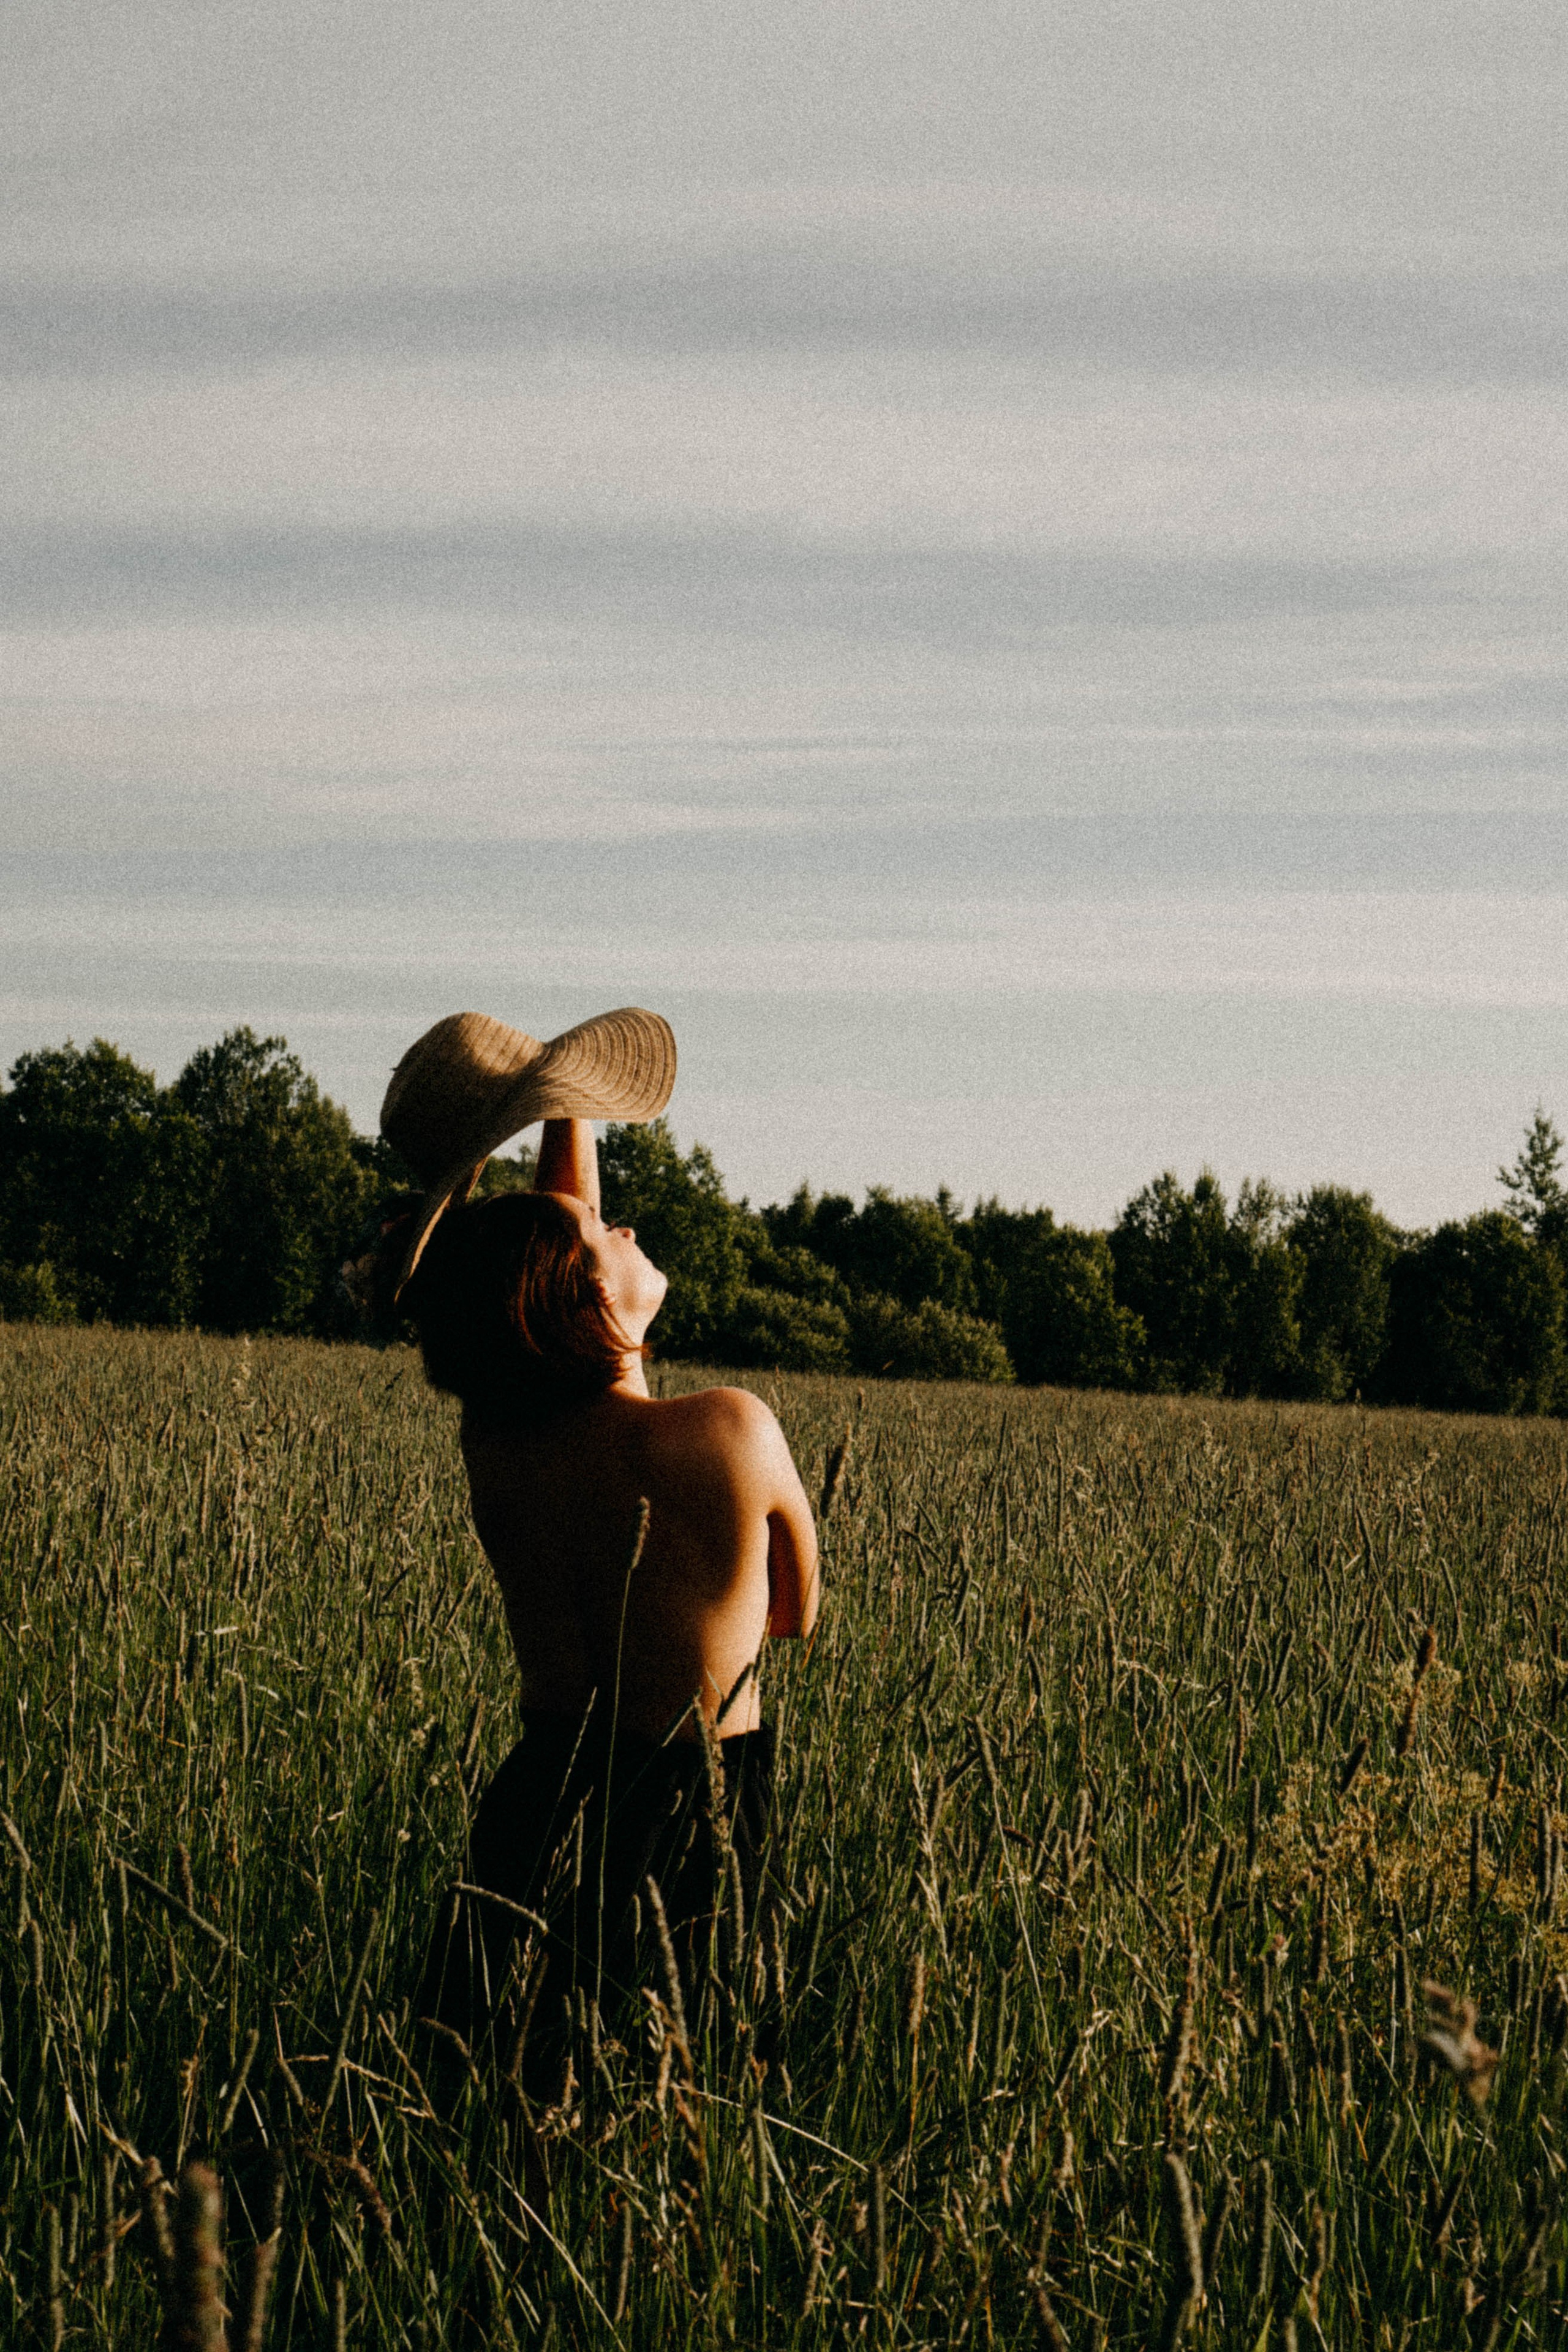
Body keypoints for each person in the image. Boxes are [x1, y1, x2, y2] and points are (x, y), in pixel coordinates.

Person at [368, 1008, 820, 2076]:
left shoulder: (499, 1438)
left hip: (540, 1794)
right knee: (659, 2098)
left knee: (485, 2087)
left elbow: (544, 1275)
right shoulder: (730, 1428)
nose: (617, 1229)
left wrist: (563, 1100)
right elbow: (794, 1619)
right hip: (688, 1806)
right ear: (583, 1304)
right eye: (600, 1239)